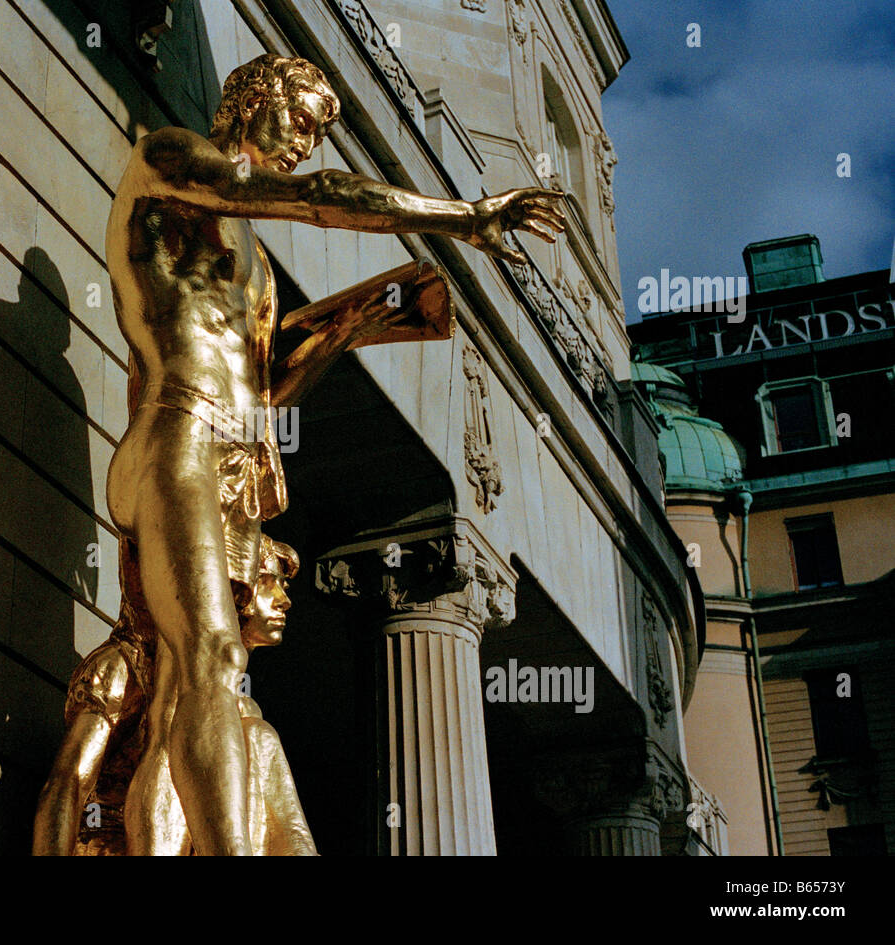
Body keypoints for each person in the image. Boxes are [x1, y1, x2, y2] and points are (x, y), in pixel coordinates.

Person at [105, 52, 566, 855]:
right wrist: (462, 218)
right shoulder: (170, 158)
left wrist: (363, 315)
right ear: (251, 99)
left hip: (232, 454)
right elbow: (314, 200)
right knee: (209, 654)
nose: (306, 145)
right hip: (177, 433)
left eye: (320, 133)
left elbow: (267, 375)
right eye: (300, 120)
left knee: (191, 687)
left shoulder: (248, 263)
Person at [32, 535, 314, 855]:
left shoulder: (239, 706)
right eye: (268, 583)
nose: (283, 600)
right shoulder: (124, 668)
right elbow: (65, 786)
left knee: (255, 734)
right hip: (113, 843)